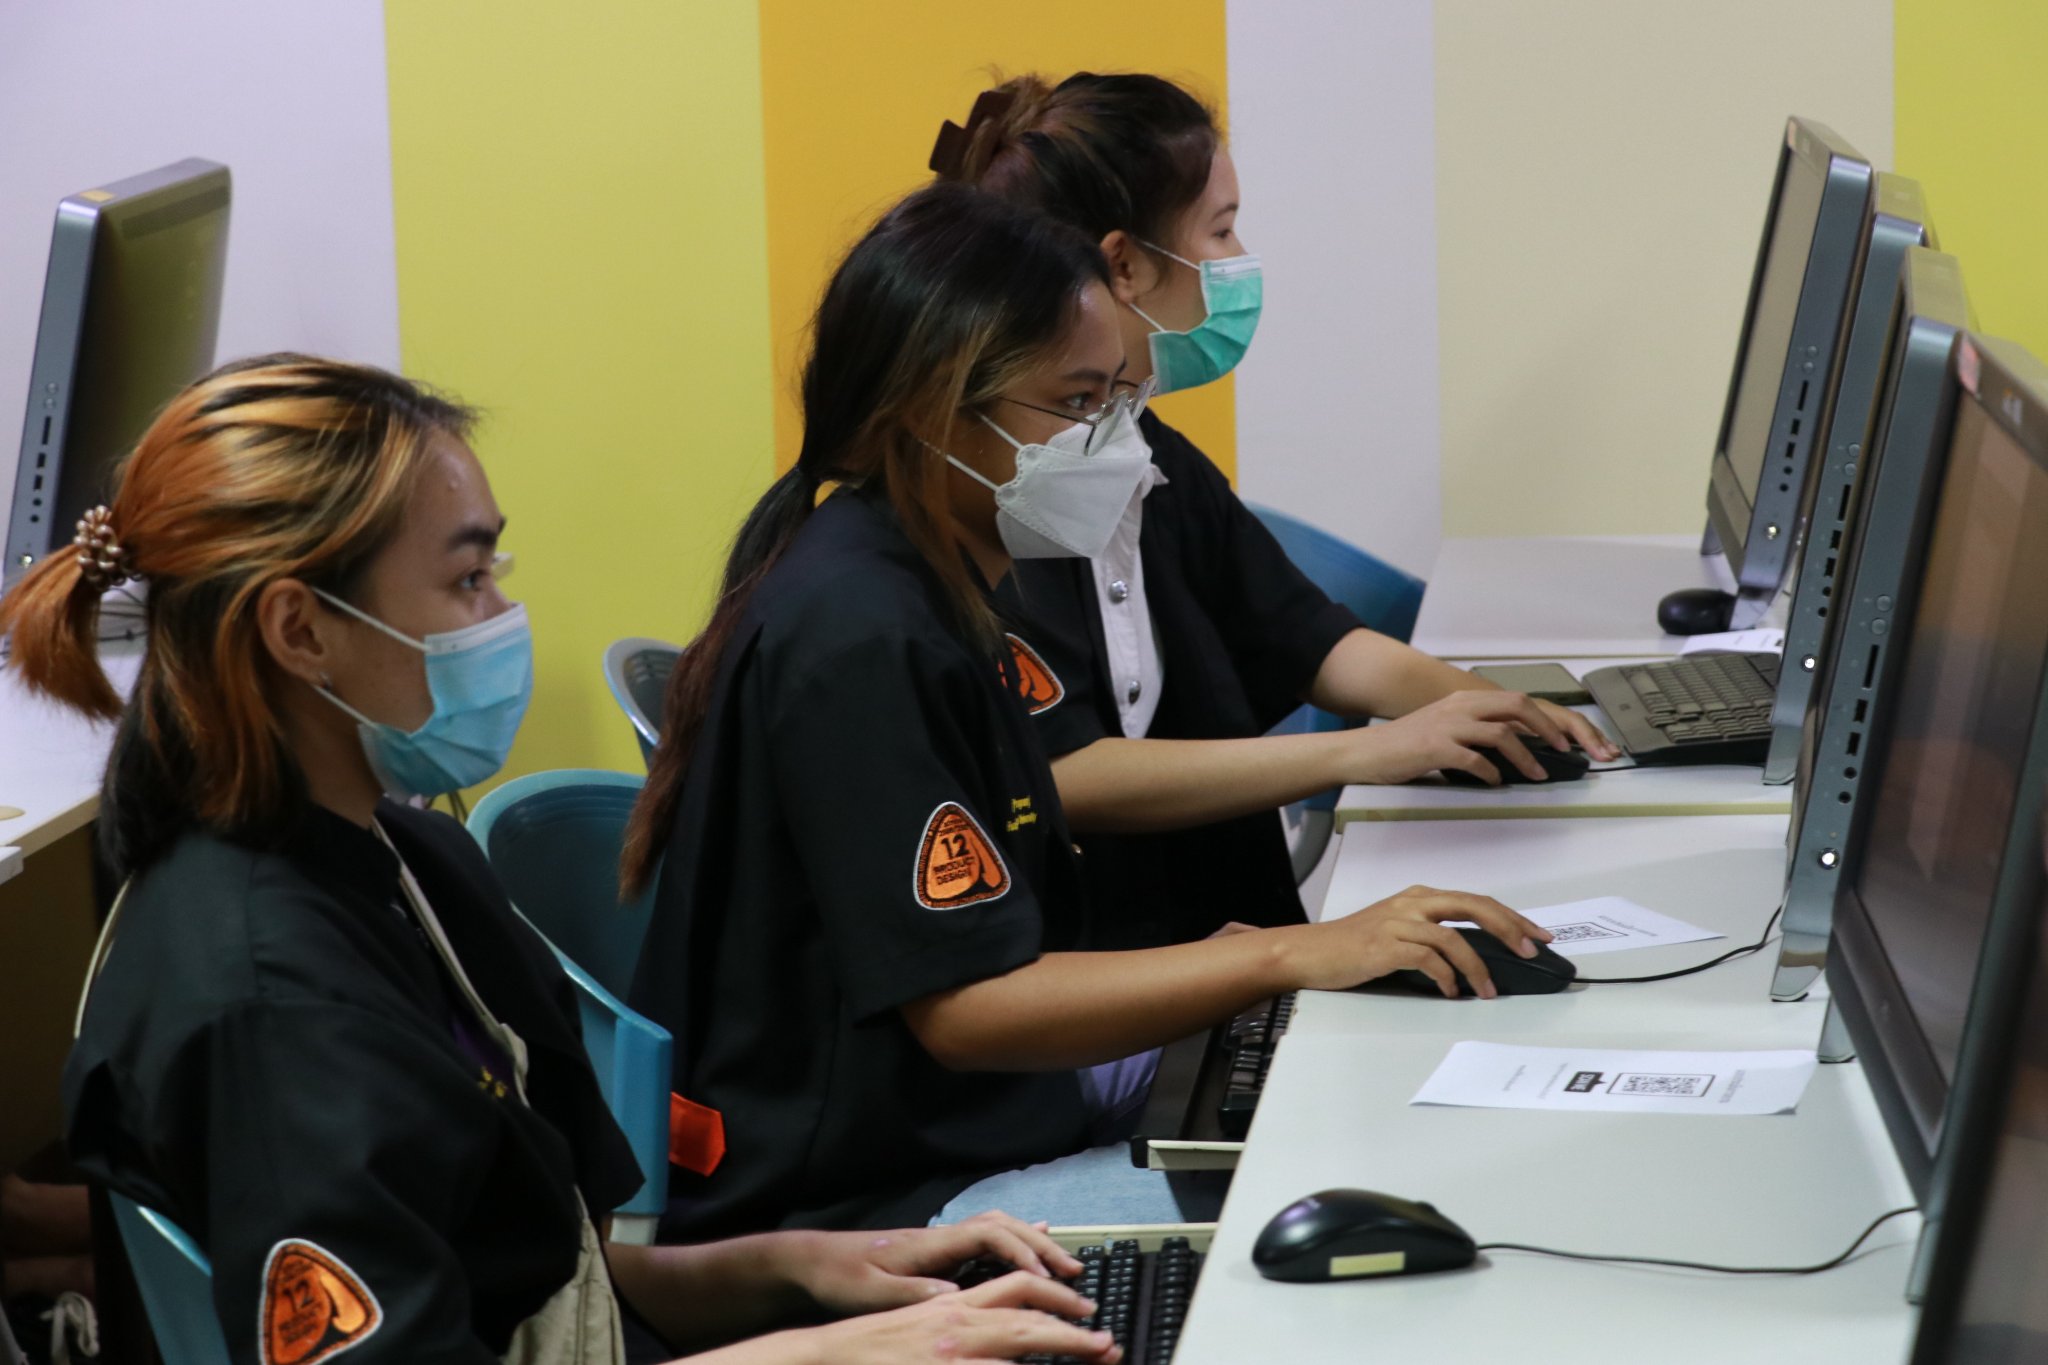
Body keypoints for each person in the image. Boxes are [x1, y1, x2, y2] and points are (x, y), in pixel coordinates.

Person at [0, 355, 1120, 1365]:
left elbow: (539, 1282)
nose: (503, 615)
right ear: (300, 631)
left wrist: (809, 1270)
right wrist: (832, 1354)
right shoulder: (274, 1010)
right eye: (466, 581)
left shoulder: (402, 857)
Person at [621, 183, 1550, 1242]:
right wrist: (1283, 956)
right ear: (931, 413)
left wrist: (1253, 962)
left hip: (969, 1108)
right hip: (873, 1192)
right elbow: (969, 1009)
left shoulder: (939, 578)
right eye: (1076, 405)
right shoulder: (862, 634)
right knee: (1349, 1144)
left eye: (1118, 398)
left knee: (1370, 1062)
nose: (1118, 443)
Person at [930, 73, 1619, 948]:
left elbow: (1306, 636)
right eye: (1220, 231)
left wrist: (1497, 712)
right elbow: (1062, 772)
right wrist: (1366, 751)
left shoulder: (1141, 447)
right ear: (1123, 266)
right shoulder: (1019, 492)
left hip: (1209, 932)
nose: (1239, 259)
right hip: (1114, 954)